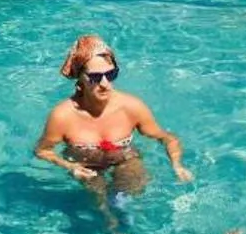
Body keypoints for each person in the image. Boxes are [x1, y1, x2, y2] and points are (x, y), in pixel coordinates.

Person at [33, 35, 191, 213]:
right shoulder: (62, 115)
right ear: (80, 78)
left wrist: (177, 165)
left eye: (111, 74)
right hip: (86, 165)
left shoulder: (131, 106)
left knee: (132, 187)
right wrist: (71, 167)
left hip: (124, 158)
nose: (105, 84)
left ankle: (122, 213)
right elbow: (42, 151)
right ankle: (110, 223)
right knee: (98, 199)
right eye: (94, 77)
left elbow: (166, 138)